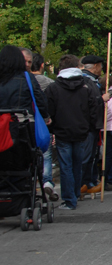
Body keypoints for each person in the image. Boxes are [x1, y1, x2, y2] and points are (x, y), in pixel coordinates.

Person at [45, 54, 96, 210]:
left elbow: (49, 111)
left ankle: (69, 199)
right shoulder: (86, 86)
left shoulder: (53, 88)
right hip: (81, 130)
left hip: (62, 130)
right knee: (77, 164)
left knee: (66, 166)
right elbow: (93, 107)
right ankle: (74, 194)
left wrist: (51, 129)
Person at [30, 52, 58, 202]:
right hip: (43, 123)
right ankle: (47, 181)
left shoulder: (23, 80)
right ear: (42, 65)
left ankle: (31, 183)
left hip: (24, 123)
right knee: (45, 154)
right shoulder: (49, 83)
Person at [79, 55, 106, 196]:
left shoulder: (93, 81)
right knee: (85, 156)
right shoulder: (85, 81)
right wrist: (102, 100)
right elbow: (88, 103)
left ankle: (88, 182)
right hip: (88, 125)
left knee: (91, 156)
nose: (101, 69)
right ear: (95, 66)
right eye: (100, 66)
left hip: (94, 125)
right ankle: (82, 183)